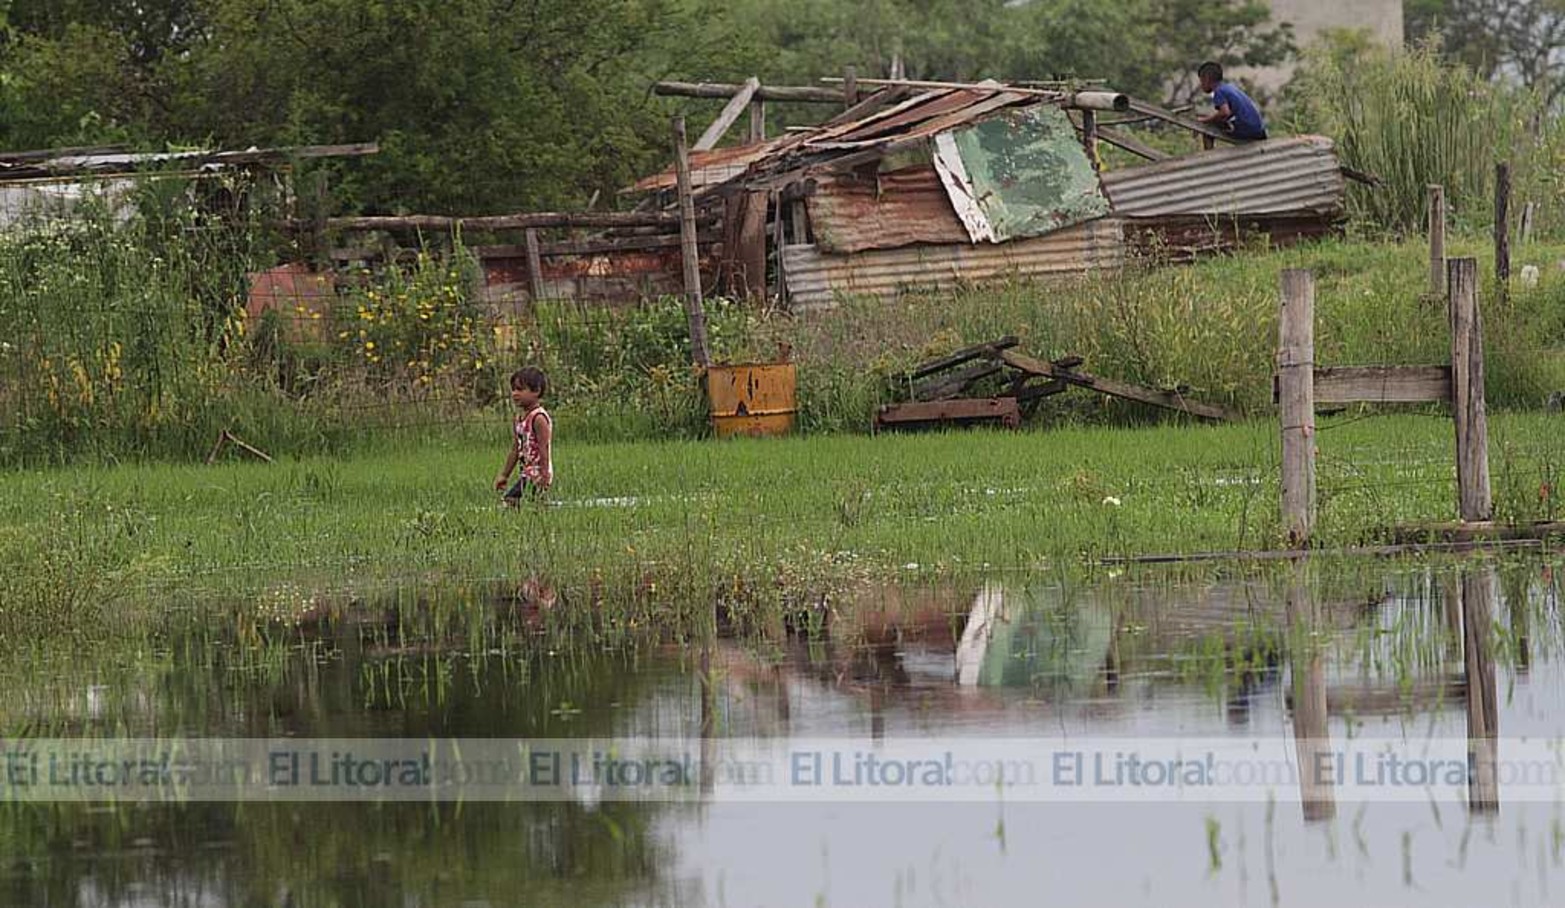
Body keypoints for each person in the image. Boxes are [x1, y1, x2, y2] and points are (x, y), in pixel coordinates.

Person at [494, 366, 553, 505]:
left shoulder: (538, 418)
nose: (515, 394)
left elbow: (544, 448)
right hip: (526, 473)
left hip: (537, 473)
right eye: (513, 389)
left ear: (536, 391)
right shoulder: (519, 419)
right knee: (525, 502)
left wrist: (544, 475)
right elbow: (516, 449)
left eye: (520, 389)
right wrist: (504, 475)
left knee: (511, 500)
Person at [1196, 61, 1267, 141]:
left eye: (1201, 81)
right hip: (1259, 130)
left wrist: (1205, 120)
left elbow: (1225, 113)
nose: (1201, 85)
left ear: (1207, 79)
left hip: (1248, 131)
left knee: (1208, 127)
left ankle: (1208, 149)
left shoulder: (1218, 91)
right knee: (1216, 121)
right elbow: (1230, 113)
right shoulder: (1228, 87)